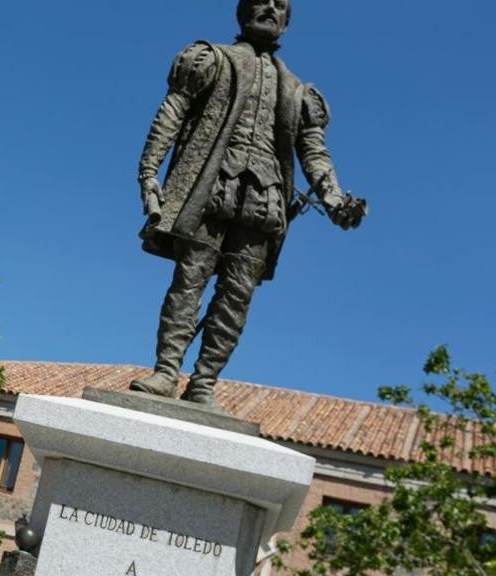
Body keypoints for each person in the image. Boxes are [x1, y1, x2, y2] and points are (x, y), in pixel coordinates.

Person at [130, 0, 365, 407]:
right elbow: (172, 111)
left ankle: (203, 382)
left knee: (237, 295)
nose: (271, 9)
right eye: (262, 1)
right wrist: (148, 172)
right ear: (243, 13)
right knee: (190, 279)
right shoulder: (212, 60)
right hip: (210, 186)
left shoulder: (298, 90)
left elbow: (313, 150)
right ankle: (166, 372)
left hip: (265, 199)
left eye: (281, 6)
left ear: (287, 23)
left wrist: (333, 198)